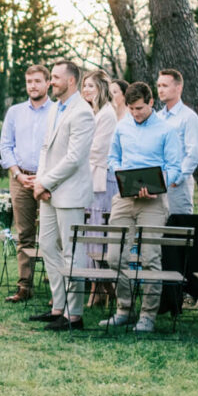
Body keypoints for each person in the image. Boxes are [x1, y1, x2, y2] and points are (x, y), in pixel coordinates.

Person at [101, 82, 183, 333]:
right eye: (131, 108)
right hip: (125, 198)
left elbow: (175, 167)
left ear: (151, 103)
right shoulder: (122, 126)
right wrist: (119, 173)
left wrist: (157, 185)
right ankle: (124, 309)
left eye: (139, 108)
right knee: (114, 257)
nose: (135, 113)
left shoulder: (166, 130)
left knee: (150, 258)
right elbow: (112, 157)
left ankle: (148, 315)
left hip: (153, 202)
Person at [29, 61, 96, 331]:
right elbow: (46, 148)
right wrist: (41, 185)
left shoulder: (83, 113)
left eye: (55, 78)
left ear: (70, 81)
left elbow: (74, 159)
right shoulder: (55, 108)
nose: (51, 82)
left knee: (72, 252)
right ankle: (58, 306)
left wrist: (45, 181)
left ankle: (74, 314)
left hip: (70, 193)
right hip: (49, 192)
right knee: (46, 245)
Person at [0, 64, 55, 303]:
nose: (32, 86)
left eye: (37, 81)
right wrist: (17, 174)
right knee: (24, 235)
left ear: (48, 83)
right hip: (20, 179)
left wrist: (44, 177)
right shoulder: (15, 112)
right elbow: (5, 146)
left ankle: (55, 287)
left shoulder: (56, 111)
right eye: (29, 81)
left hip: (49, 180)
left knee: (52, 235)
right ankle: (24, 286)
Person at [81, 70, 119, 307]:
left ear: (102, 89)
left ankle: (107, 289)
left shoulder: (107, 115)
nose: (86, 91)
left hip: (103, 180)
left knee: (100, 235)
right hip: (89, 178)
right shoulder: (92, 113)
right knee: (91, 235)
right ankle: (97, 288)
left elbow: (97, 149)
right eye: (84, 86)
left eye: (91, 87)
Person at [156, 69, 198, 215]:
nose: (160, 90)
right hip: (156, 184)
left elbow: (194, 154)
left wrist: (177, 179)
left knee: (178, 230)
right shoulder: (157, 118)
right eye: (158, 86)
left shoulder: (189, 117)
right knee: (156, 232)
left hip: (177, 185)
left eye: (165, 85)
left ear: (178, 88)